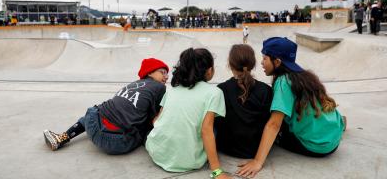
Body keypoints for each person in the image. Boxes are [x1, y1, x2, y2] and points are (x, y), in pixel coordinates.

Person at [236, 37, 345, 178]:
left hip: (317, 147)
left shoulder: (283, 82)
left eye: (265, 59)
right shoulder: (303, 75)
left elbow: (274, 125)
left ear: (277, 62)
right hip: (334, 137)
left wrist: (257, 161)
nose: (262, 63)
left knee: (270, 124)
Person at [43, 58, 169, 154]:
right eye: (162, 72)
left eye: (167, 74)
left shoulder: (133, 84)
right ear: (150, 73)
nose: (166, 76)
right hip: (116, 143)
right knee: (145, 126)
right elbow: (155, 120)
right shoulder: (160, 87)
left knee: (96, 110)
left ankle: (62, 138)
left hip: (92, 124)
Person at [146, 48, 230, 179]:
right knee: (212, 127)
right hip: (189, 161)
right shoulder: (214, 92)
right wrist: (217, 171)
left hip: (157, 153)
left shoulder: (172, 90)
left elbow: (156, 121)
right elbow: (206, 131)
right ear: (209, 70)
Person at [214, 44, 273, 159]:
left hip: (227, 148)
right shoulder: (266, 90)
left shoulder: (221, 89)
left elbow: (217, 121)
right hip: (256, 149)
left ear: (230, 65)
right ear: (253, 64)